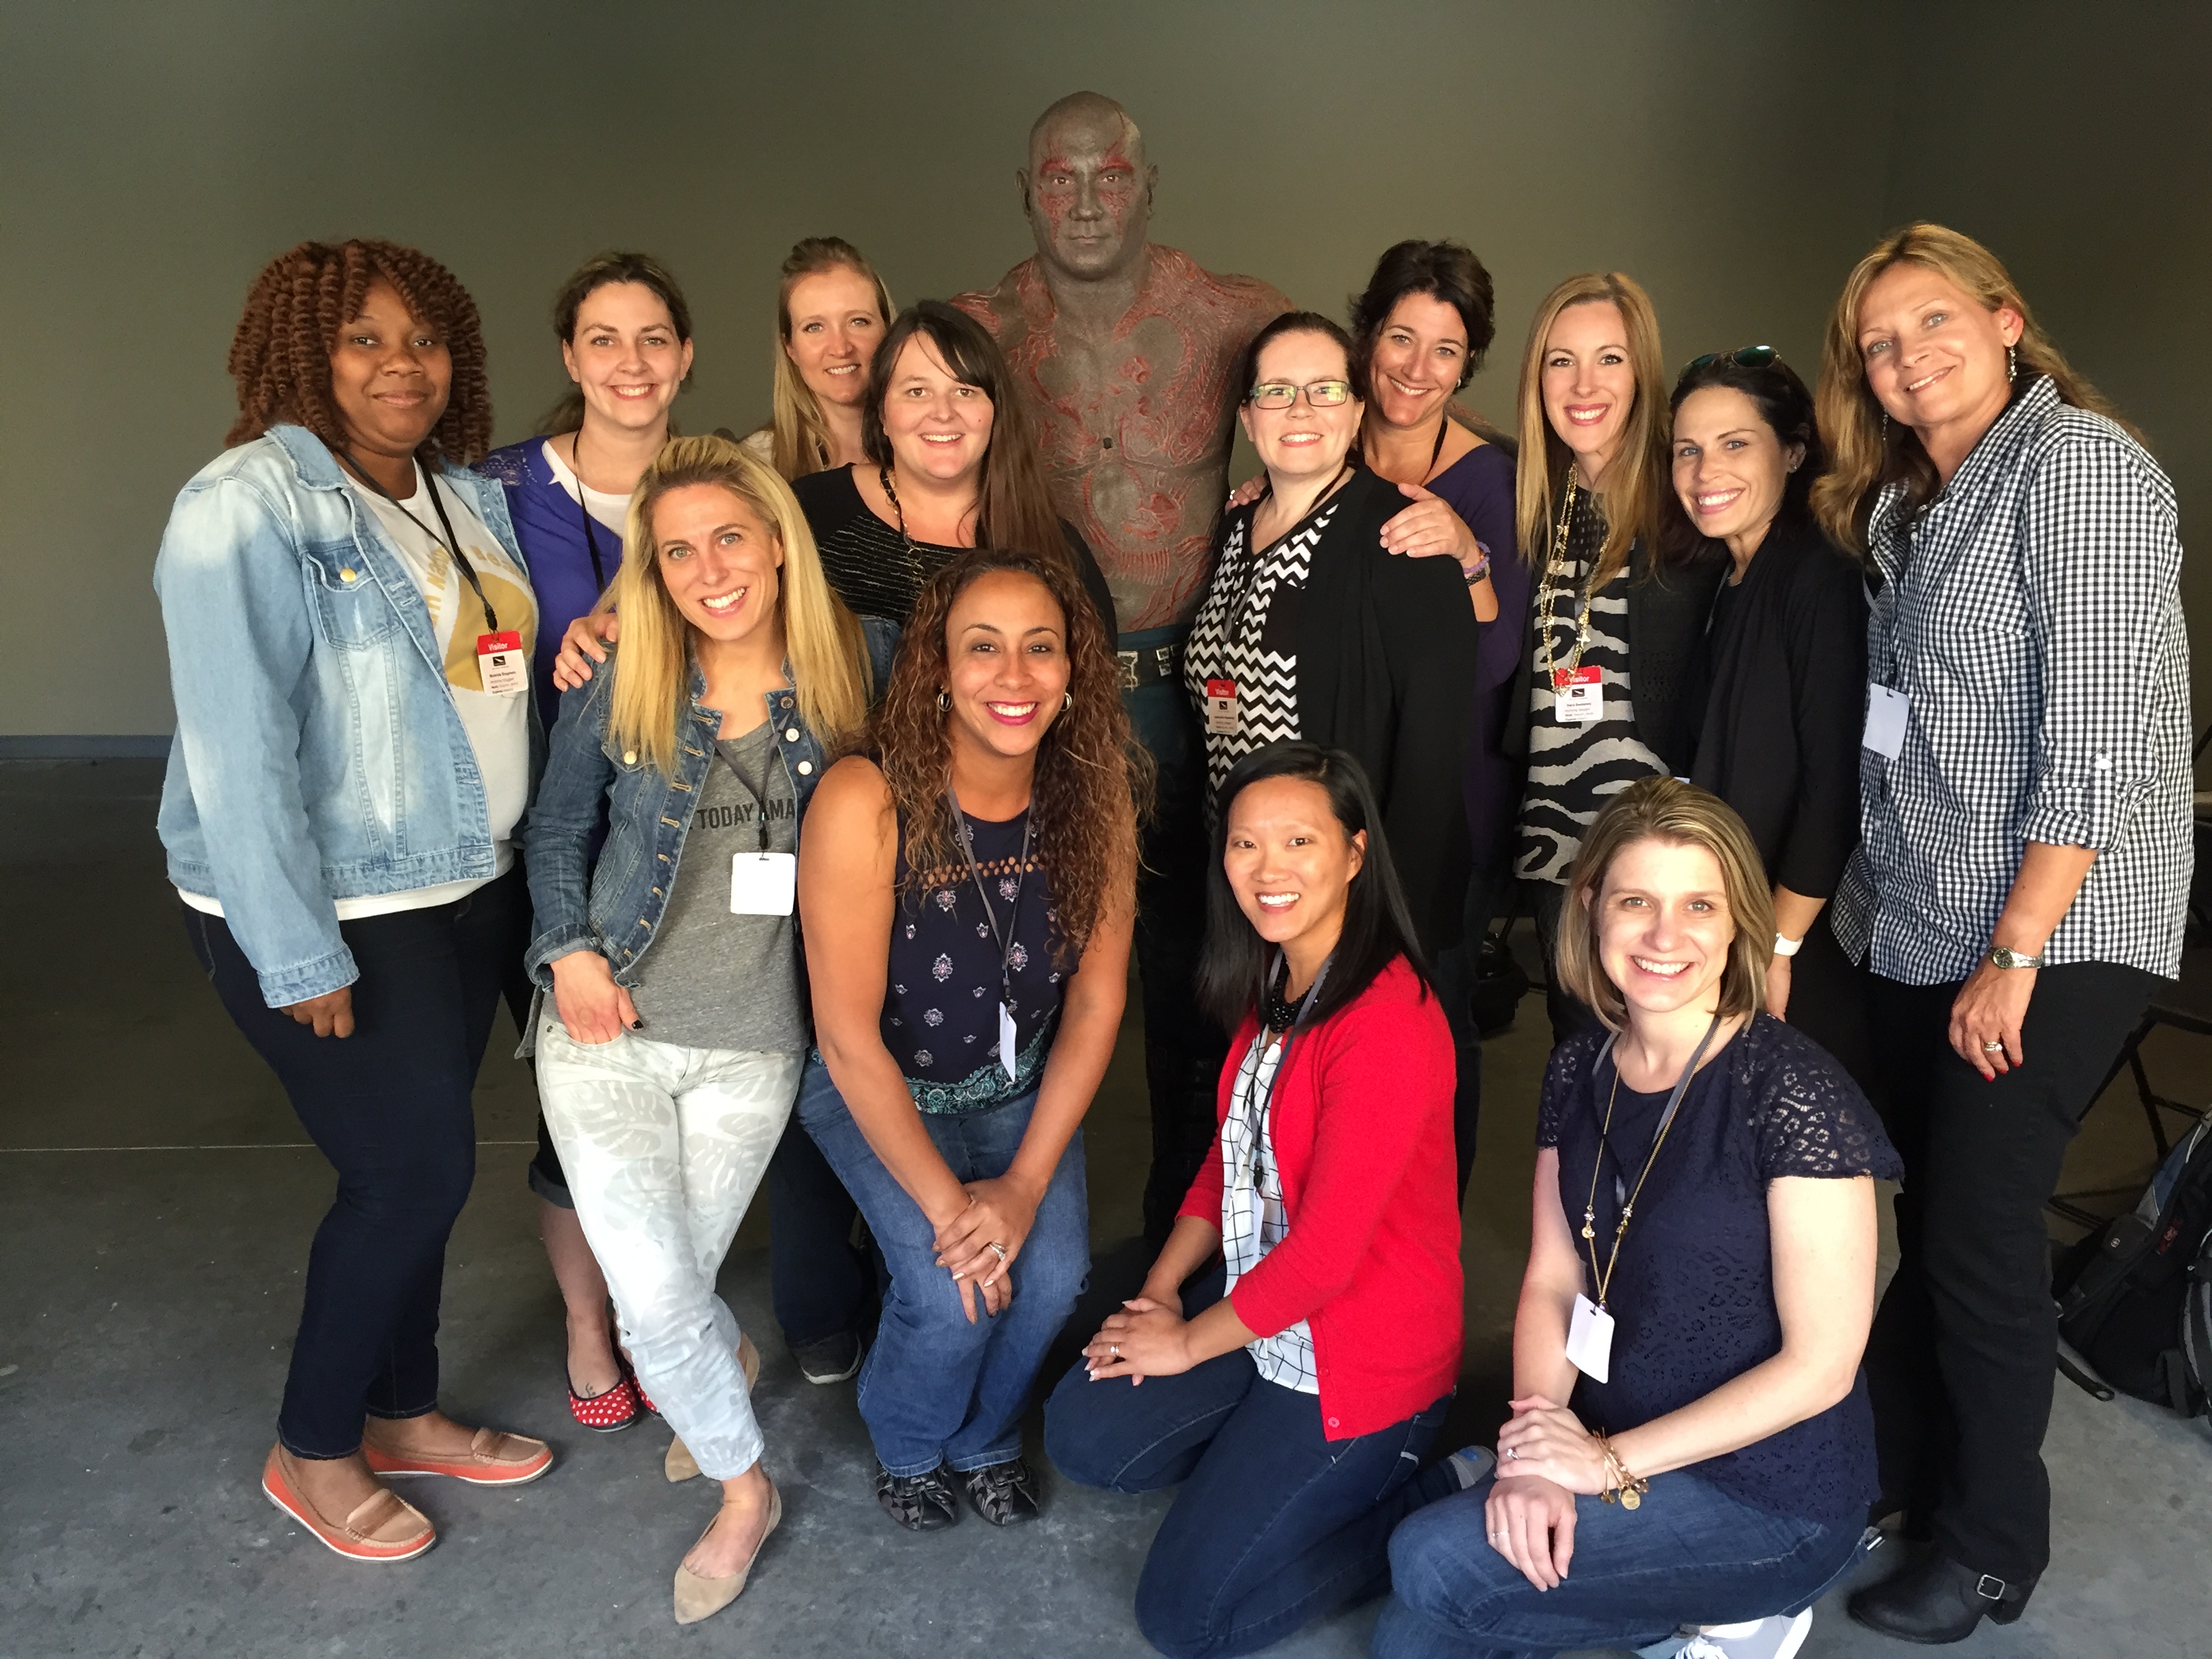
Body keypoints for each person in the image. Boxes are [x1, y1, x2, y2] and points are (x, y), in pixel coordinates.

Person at [1811, 224, 2190, 1643]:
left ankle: (1987, 1547)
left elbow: (2094, 738)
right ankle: (1895, 1468)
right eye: (1878, 345)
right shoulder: (1909, 507)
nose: (1907, 357)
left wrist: (2018, 946)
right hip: (1922, 912)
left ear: (2005, 320)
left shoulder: (2078, 469)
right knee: (1932, 1215)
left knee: (1975, 1232)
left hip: (2057, 923)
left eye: (1931, 322)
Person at [155, 239, 552, 1564]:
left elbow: (492, 674)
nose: (403, 365)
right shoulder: (243, 504)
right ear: (304, 351)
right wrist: (294, 949)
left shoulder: (458, 494)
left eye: (425, 339)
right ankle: (313, 1444)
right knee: (409, 1172)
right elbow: (237, 751)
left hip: (467, 885)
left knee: (421, 1169)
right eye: (365, 338)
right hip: (341, 910)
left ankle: (404, 1410)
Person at [1377, 778, 1902, 1659]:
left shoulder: (1793, 1093)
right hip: (1606, 1428)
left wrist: (1601, 1466)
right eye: (1636, 902)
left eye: (1699, 904)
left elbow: (1822, 1368)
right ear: (1590, 908)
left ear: (1737, 923)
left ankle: (1745, 1614)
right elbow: (1554, 1279)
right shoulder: (1579, 1066)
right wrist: (1537, 1449)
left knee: (1432, 1567)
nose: (1665, 936)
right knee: (1412, 1636)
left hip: (1766, 1495)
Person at [525, 436, 890, 1623]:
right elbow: (558, 826)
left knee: (671, 1291)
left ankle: (719, 1363)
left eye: (729, 538)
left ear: (778, 542)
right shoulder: (625, 669)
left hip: (754, 1044)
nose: (708, 570)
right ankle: (746, 1490)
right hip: (608, 1023)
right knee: (652, 1297)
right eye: (676, 552)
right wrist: (567, 950)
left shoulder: (861, 667)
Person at [954, 90, 1290, 1246]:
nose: (1088, 201)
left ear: (1149, 186)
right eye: (1061, 177)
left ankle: (1181, 1243)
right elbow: (862, 446)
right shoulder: (978, 333)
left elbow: (1360, 414)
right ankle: (1008, 1232)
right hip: (1041, 700)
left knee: (1202, 977)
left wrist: (1459, 518)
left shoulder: (1235, 317)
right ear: (1026, 192)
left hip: (1193, 692)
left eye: (1111, 176)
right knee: (1018, 969)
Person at [1045, 743, 1469, 1659]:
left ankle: (1435, 1494)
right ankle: (1263, 1462)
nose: (1268, 869)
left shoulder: (1385, 1022)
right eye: (1245, 844)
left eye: (1299, 842)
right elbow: (1228, 1157)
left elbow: (1324, 1258)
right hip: (1265, 1311)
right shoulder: (1281, 979)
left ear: (1355, 853)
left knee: (1185, 1620)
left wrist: (1185, 1345)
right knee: (1085, 1434)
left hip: (1354, 1357)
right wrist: (1161, 1292)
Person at [796, 546, 1145, 1532]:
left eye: (1042, 647)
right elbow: (846, 1038)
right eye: (983, 647)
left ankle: (986, 1435)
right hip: (876, 1086)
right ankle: (910, 1441)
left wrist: (1024, 1186)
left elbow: (1097, 1003)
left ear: (1073, 669)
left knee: (1053, 1283)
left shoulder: (1097, 795)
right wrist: (958, 1215)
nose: (1014, 675)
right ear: (939, 669)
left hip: (1016, 1086)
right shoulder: (867, 797)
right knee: (956, 1289)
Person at [478, 250, 697, 1432]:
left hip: (687, 842)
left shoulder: (719, 481)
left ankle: (663, 1309)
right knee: (579, 1099)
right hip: (551, 840)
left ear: (686, 355)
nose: (630, 362)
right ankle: (585, 1320)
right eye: (603, 339)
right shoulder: (496, 490)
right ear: (569, 356)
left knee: (680, 1093)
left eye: (653, 337)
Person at [1183, 312, 1479, 968]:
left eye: (1325, 389)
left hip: (1349, 900)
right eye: (1277, 391)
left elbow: (1432, 759)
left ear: (1357, 410)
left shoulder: (1403, 537)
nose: (1301, 409)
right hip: (1247, 881)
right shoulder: (1234, 527)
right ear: (1248, 417)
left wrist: (1386, 925)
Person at [1504, 274, 1723, 1042]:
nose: (1584, 385)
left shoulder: (1689, 500)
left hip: (1657, 853)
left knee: (1665, 1060)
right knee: (1579, 1057)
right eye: (1561, 361)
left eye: (1610, 359)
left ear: (1643, 373)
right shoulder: (1536, 501)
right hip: (1555, 846)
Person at [1349, 238, 1522, 1195]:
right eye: (1401, 338)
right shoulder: (1326, 451)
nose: (1417, 369)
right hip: (1346, 793)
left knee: (1433, 1019)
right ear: (1367, 337)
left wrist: (1465, 552)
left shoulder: (1489, 482)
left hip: (1446, 795)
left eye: (1446, 350)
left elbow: (1495, 664)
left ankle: (1430, 1224)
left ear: (1468, 365)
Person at [1668, 347, 1877, 1098]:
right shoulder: (1724, 578)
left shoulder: (1818, 574)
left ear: (1792, 452)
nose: (1705, 472)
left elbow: (1835, 781)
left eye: (1735, 444)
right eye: (1687, 450)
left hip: (1799, 932)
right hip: (1736, 911)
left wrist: (1778, 945)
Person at [792, 299, 1118, 633]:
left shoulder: (1057, 546)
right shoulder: (809, 512)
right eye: (917, 391)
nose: (944, 413)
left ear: (995, 412)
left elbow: (1094, 665)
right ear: (883, 415)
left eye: (964, 391)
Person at [744, 236, 894, 480]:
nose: (840, 348)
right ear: (790, 347)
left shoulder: (932, 444)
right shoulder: (755, 467)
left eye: (858, 322)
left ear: (889, 331)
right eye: (814, 327)